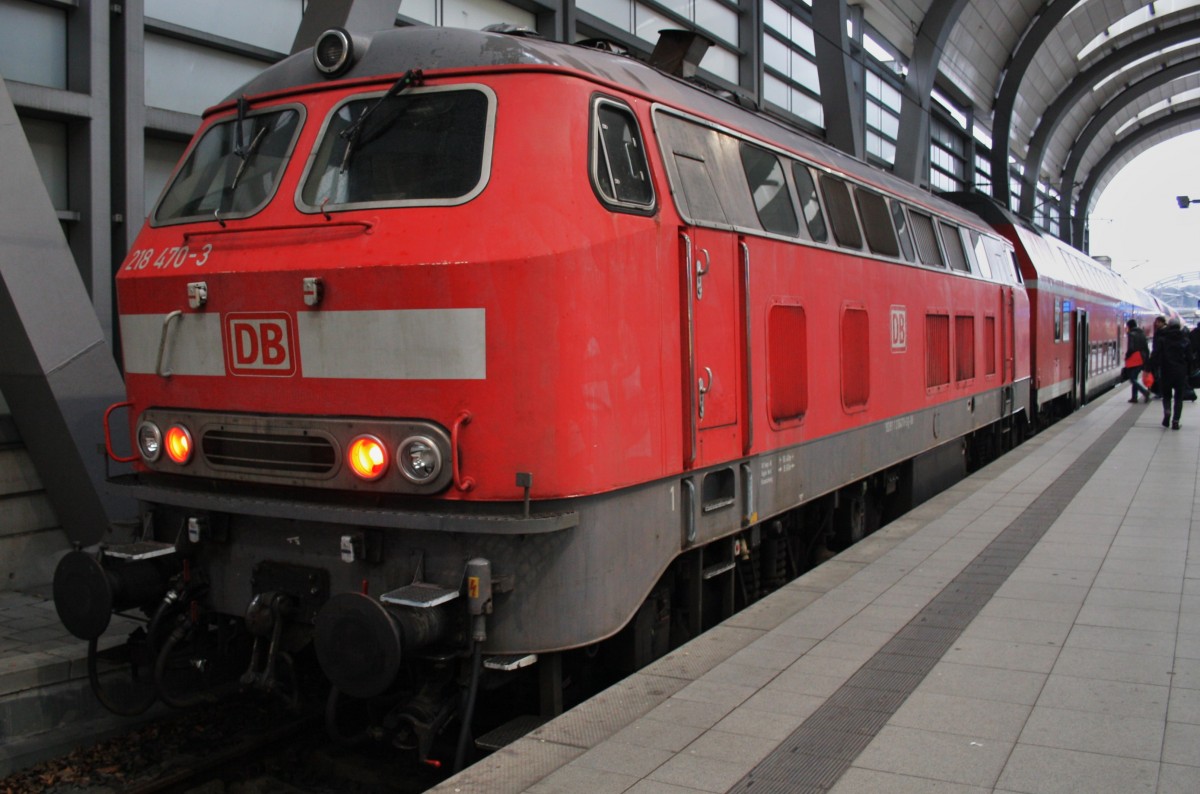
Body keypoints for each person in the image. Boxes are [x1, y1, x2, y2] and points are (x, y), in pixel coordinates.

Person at [1149, 315, 1190, 430]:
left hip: (1166, 371)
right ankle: (1176, 421)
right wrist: (1189, 372)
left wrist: (1149, 368)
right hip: (1180, 373)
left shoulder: (1163, 339)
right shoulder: (1185, 340)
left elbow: (1156, 355)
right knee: (1178, 397)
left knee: (1166, 396)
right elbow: (1190, 358)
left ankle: (1167, 411)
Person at [1123, 318, 1151, 403]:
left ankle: (1144, 392)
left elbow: (1131, 348)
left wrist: (1127, 356)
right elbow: (1146, 348)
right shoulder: (1142, 334)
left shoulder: (1131, 334)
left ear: (1129, 326)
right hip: (1142, 358)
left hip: (1135, 359)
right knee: (1134, 377)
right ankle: (1134, 397)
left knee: (1132, 378)